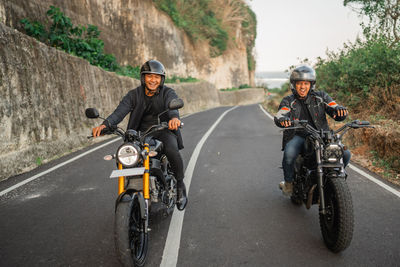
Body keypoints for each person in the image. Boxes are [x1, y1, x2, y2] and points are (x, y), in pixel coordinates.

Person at [92, 59, 187, 210]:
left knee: (171, 149)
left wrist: (174, 118)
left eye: (156, 77)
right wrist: (106, 124)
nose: (153, 80)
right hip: (139, 135)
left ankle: (180, 186)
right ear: (143, 77)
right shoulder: (133, 95)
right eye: (149, 76)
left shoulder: (167, 92)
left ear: (161, 79)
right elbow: (120, 112)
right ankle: (134, 188)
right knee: (125, 156)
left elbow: (173, 104)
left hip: (162, 131)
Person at [274, 65, 350, 196]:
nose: (302, 87)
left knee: (345, 154)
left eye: (306, 83)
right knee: (289, 154)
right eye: (299, 83)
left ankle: (334, 178)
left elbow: (333, 106)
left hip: (321, 135)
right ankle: (288, 184)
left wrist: (340, 111)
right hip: (298, 135)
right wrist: (282, 120)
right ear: (294, 84)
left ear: (311, 85)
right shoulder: (288, 100)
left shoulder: (321, 96)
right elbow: (281, 114)